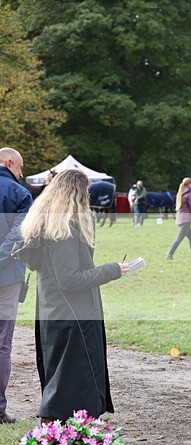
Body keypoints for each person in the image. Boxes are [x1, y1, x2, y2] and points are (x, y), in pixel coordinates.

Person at [14, 169, 131, 421]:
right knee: (71, 384)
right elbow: (70, 280)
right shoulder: (63, 230)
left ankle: (64, 433)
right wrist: (112, 270)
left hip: (55, 311)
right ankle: (65, 437)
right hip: (72, 317)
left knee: (63, 380)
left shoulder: (51, 224)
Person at [0, 147, 33, 424]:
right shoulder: (21, 194)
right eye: (20, 169)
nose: (22, 174)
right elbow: (18, 237)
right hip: (7, 277)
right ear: (9, 163)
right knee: (2, 344)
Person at [166, 177, 191, 260]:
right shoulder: (190, 194)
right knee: (179, 238)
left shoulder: (181, 193)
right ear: (189, 184)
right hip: (186, 219)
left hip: (180, 218)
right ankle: (169, 254)